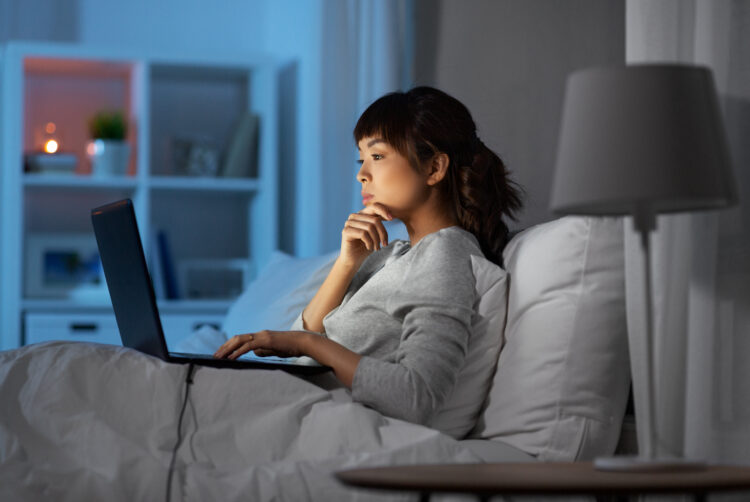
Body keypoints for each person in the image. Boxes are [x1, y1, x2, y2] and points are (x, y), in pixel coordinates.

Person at [214, 86, 523, 431]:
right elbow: (300, 347)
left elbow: (416, 397)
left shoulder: (445, 253)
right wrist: (347, 264)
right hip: (288, 404)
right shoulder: (390, 255)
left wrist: (307, 343)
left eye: (377, 157)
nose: (361, 173)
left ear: (434, 167)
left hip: (317, 424)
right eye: (361, 159)